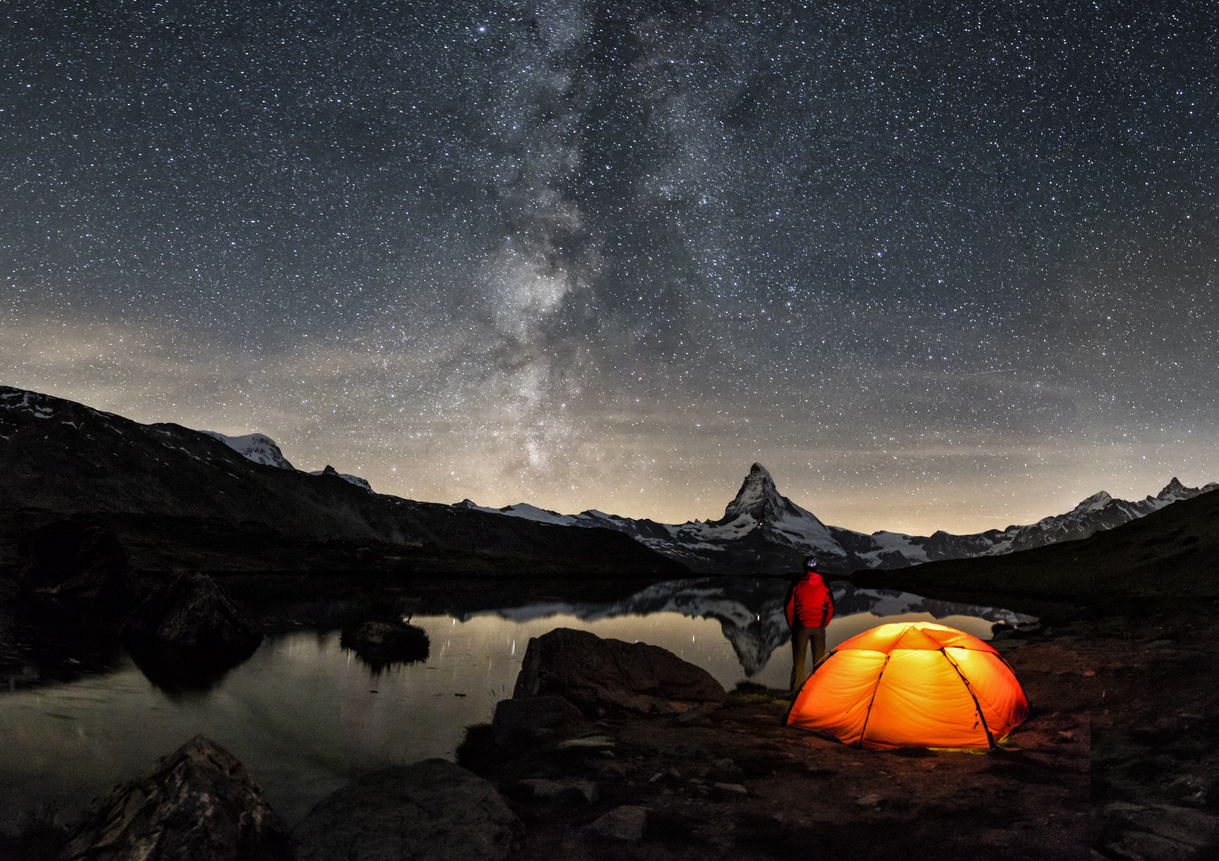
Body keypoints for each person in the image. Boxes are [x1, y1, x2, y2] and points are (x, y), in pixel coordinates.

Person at [786, 555, 834, 694]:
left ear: (804, 567)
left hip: (801, 627)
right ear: (816, 568)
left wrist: (791, 624)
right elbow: (830, 606)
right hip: (818, 627)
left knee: (799, 661)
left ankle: (796, 692)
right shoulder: (824, 583)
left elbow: (788, 606)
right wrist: (824, 624)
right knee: (819, 661)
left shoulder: (797, 583)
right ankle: (818, 691)